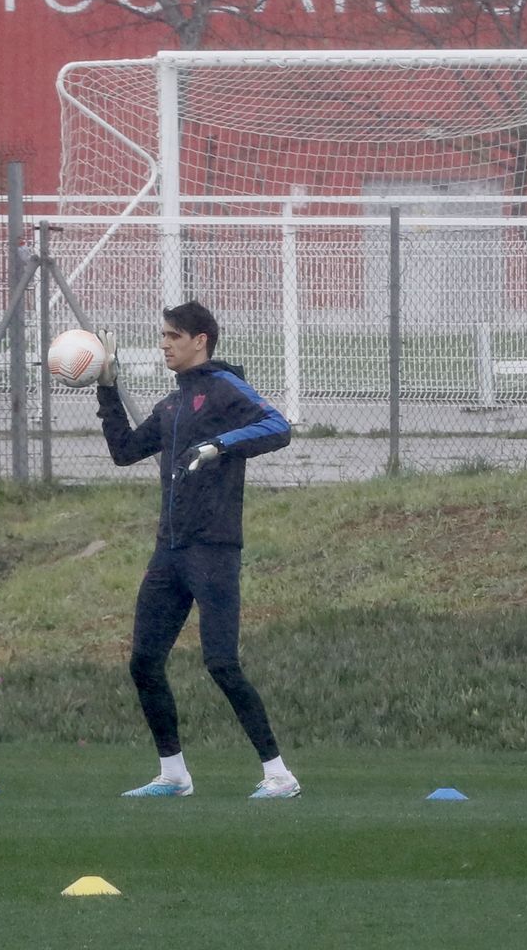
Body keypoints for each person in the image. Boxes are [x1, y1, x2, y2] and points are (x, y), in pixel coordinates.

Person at [95, 301, 300, 799]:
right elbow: (124, 451)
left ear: (200, 340)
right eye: (162, 335)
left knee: (221, 662)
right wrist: (105, 385)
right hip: (170, 552)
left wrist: (220, 444)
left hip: (213, 549)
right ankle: (173, 774)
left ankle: (279, 774)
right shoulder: (172, 405)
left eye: (172, 336)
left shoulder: (225, 387)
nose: (163, 343)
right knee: (144, 662)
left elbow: (278, 427)